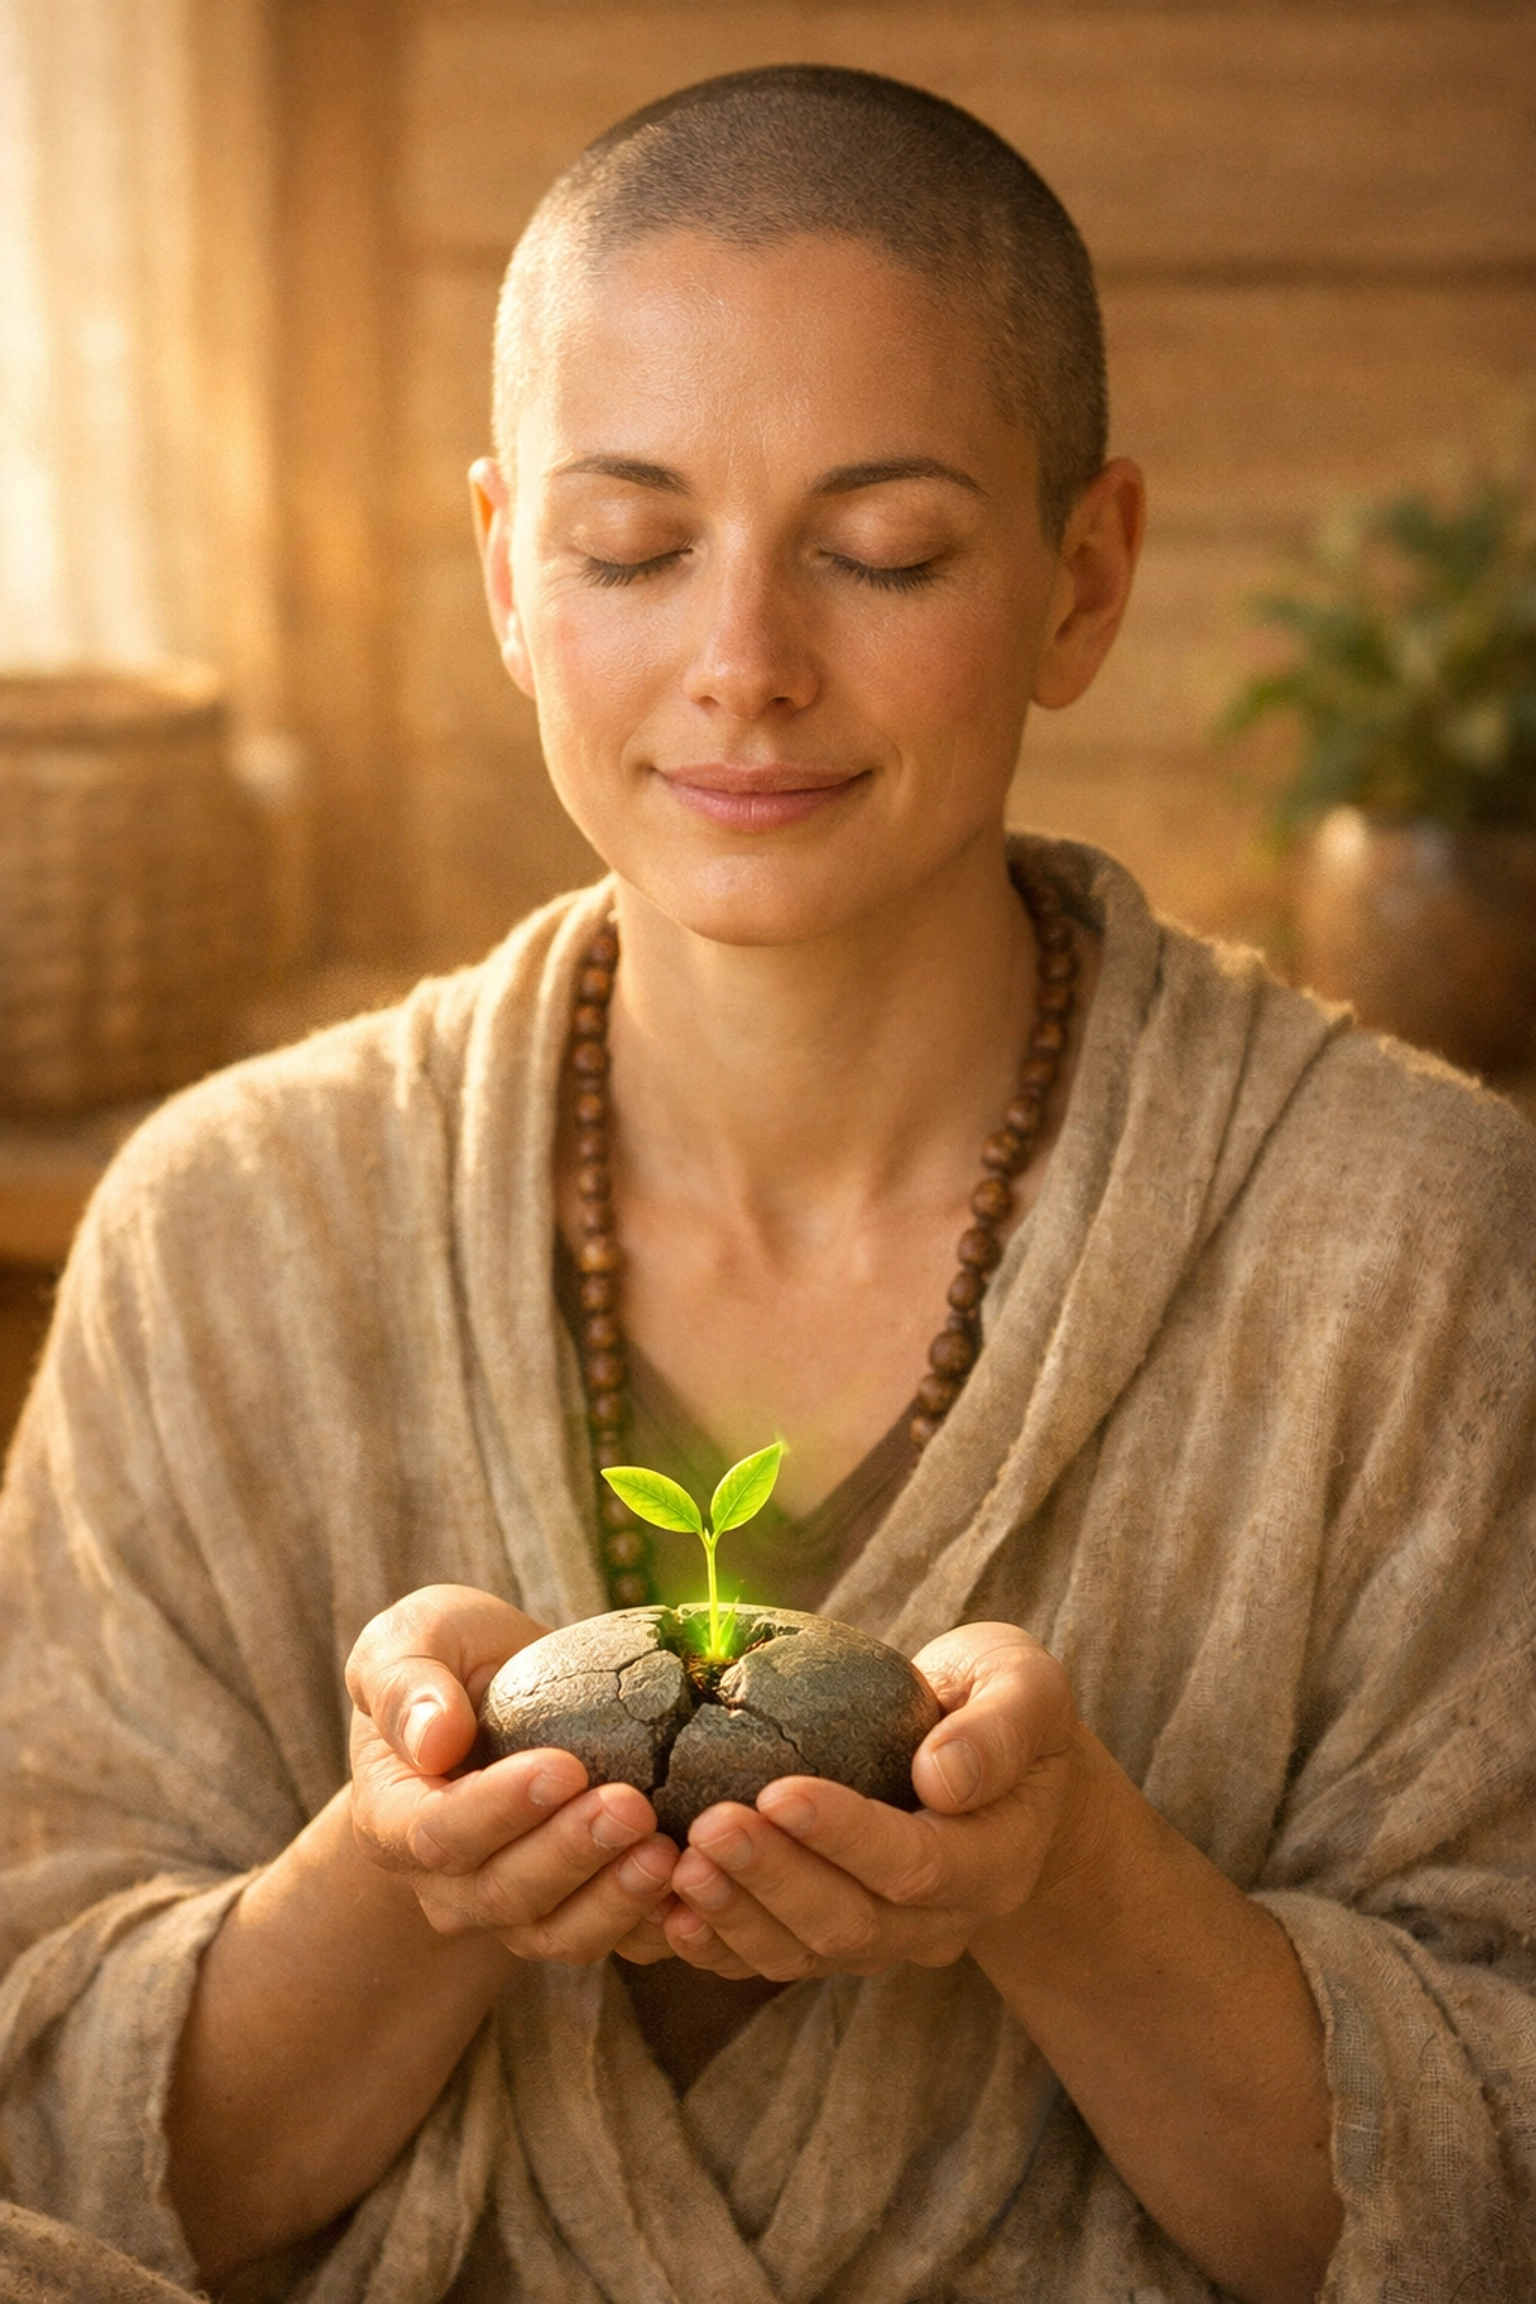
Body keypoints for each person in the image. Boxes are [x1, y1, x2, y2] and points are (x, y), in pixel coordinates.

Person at [1, 64, 1533, 2304]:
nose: (742, 667)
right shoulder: (227, 1232)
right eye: (631, 549)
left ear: (1082, 576)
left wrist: (1074, 1885)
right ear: (509, 572)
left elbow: (1496, 2202)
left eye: (883, 551)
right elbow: (57, 2151)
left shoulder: (1414, 1244)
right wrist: (402, 1883)